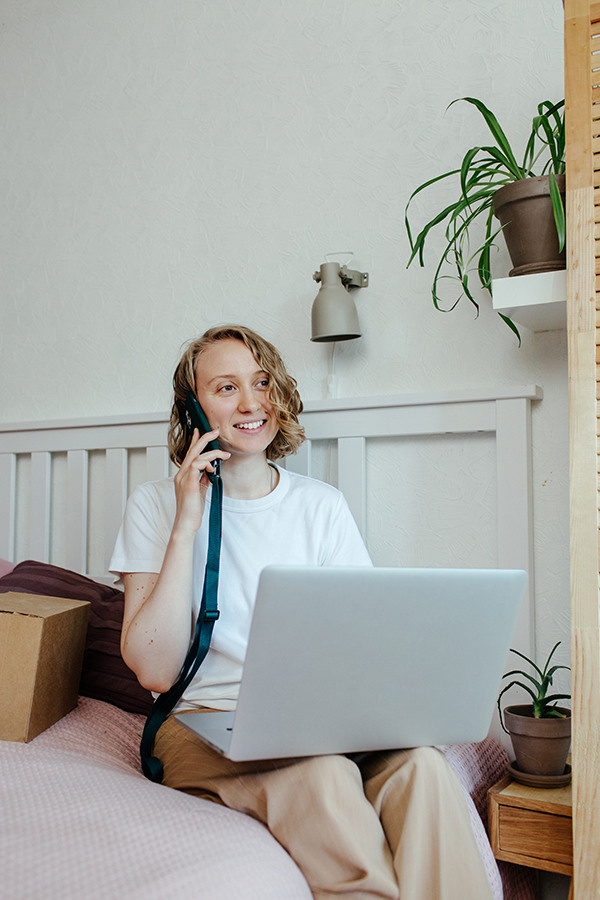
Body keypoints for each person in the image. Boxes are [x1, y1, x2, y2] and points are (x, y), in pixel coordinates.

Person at [110, 324, 493, 900]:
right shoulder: (154, 506)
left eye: (262, 382)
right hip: (204, 720)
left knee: (424, 769)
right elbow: (156, 670)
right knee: (324, 774)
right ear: (192, 409)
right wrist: (187, 522)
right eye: (225, 387)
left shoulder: (322, 507)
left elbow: (365, 639)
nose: (250, 402)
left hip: (319, 718)